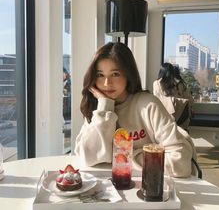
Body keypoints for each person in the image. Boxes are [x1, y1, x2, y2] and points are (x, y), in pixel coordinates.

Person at [75, 42, 196, 178]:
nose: (106, 83)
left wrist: (124, 158)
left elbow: (180, 162)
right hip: (109, 187)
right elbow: (88, 157)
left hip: (150, 187)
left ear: (128, 74)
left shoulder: (148, 105)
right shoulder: (96, 107)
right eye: (100, 75)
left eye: (115, 74)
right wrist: (104, 105)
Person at [153, 63, 194, 131]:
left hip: (165, 118)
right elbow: (190, 100)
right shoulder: (179, 83)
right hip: (181, 117)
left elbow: (157, 99)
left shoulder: (156, 83)